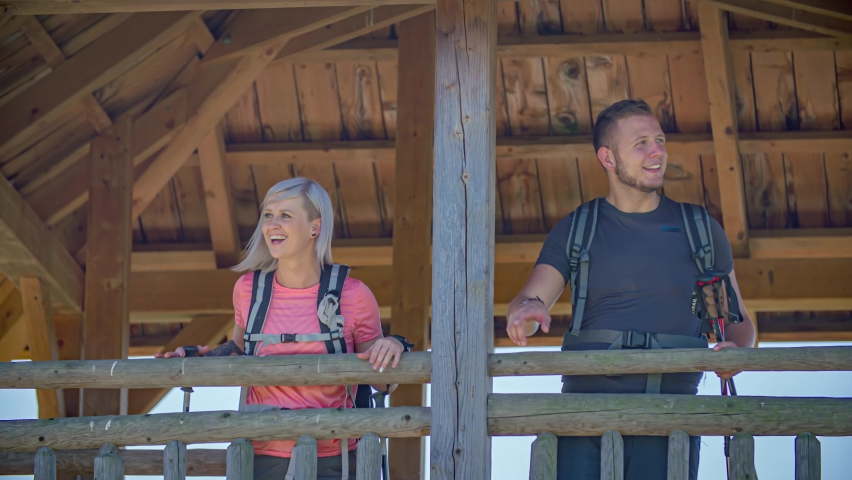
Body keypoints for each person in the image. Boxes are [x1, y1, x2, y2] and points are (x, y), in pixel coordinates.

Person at [504, 99, 756, 480]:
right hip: (586, 415)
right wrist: (525, 311)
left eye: (660, 140)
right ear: (608, 158)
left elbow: (739, 324)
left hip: (672, 416)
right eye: (641, 143)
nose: (657, 151)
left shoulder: (701, 229)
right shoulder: (578, 227)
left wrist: (738, 352)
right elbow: (530, 297)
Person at [157, 177, 409, 480]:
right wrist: (195, 360)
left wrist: (393, 345)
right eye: (268, 215)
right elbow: (239, 350)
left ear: (315, 227)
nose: (272, 225)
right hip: (260, 455)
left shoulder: (353, 295)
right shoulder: (248, 290)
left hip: (334, 460)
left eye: (285, 216)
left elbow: (382, 383)